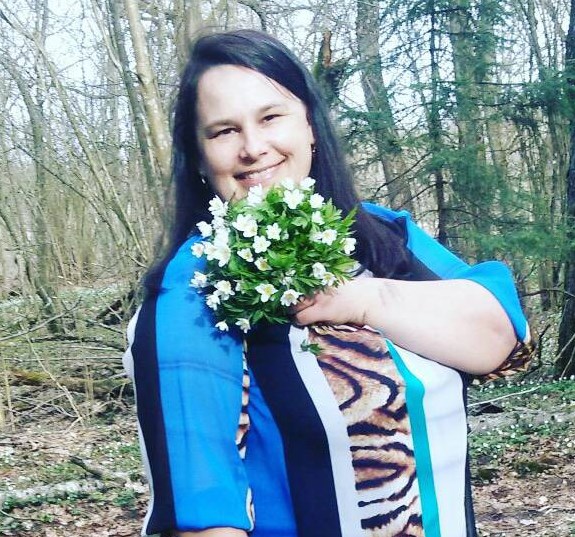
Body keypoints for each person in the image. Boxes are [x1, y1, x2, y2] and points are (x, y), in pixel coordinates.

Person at [123, 29, 532, 537]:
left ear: (310, 126)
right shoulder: (193, 290)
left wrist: (365, 299)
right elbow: (202, 516)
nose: (254, 147)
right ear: (200, 157)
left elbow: (499, 339)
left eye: (271, 117)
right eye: (224, 131)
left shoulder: (383, 235)